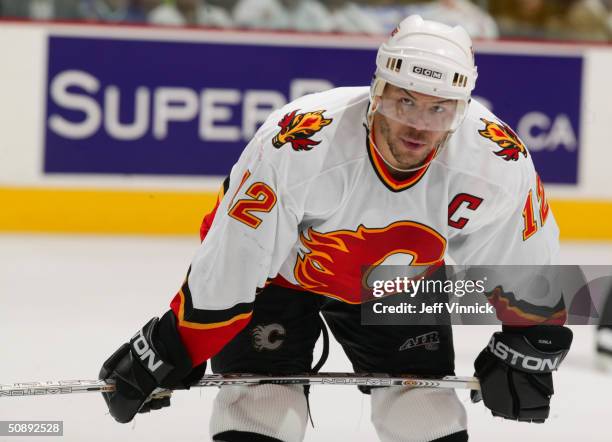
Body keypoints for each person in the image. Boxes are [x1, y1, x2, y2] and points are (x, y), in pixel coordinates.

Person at [99, 15, 573, 442]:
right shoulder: (299, 141)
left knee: (425, 417)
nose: (418, 127)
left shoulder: (496, 159)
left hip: (400, 282)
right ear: (378, 90)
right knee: (261, 412)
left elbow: (527, 259)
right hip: (282, 273)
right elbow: (237, 252)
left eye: (439, 109)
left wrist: (530, 340)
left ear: (462, 108)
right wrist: (175, 342)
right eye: (405, 101)